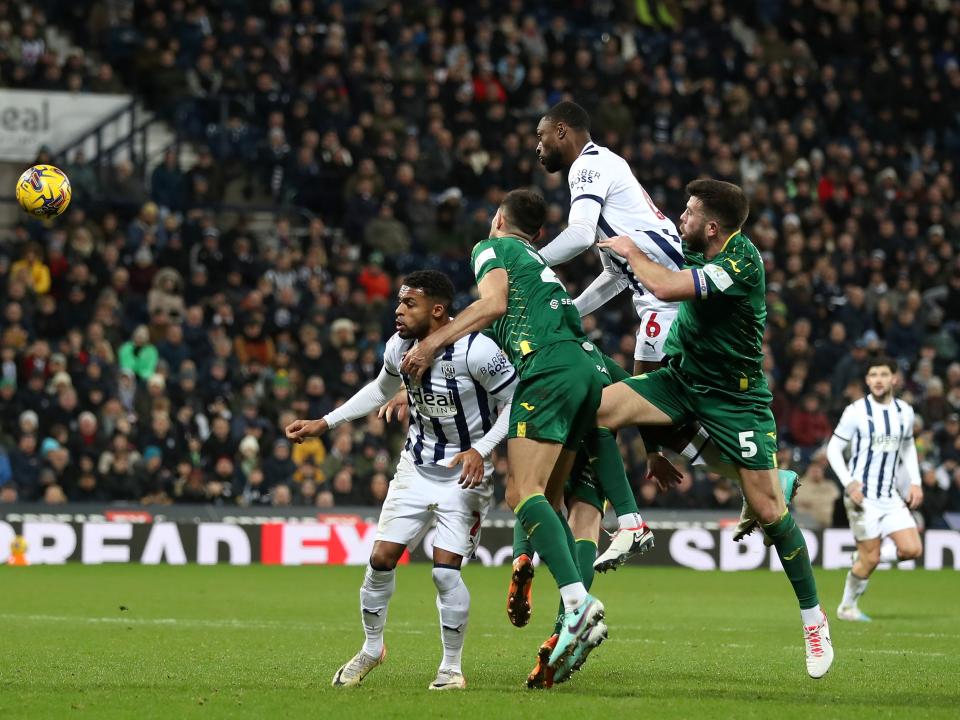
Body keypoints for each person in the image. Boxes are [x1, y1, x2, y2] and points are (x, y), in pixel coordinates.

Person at [530, 100, 798, 572]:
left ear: (564, 132)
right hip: (654, 301)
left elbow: (576, 235)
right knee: (658, 417)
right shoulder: (608, 169)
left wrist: (528, 266)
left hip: (670, 294)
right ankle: (765, 481)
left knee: (640, 403)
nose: (538, 146)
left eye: (543, 135)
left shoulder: (588, 167)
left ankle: (634, 518)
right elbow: (616, 278)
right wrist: (570, 311)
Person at [595, 179, 834, 679]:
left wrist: (631, 251)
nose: (681, 218)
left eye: (689, 212)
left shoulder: (741, 264)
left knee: (770, 511)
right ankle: (630, 520)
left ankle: (814, 619)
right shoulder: (694, 241)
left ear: (711, 227)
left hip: (736, 400)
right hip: (681, 380)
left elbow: (662, 285)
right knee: (600, 410)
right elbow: (651, 228)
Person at [400, 189, 638, 685]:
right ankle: (567, 612)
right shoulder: (536, 262)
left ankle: (574, 602)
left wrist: (431, 345)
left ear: (498, 219)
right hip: (585, 368)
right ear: (541, 235)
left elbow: (492, 304)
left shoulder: (493, 249)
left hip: (546, 370)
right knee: (565, 503)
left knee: (521, 492)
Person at [285, 271, 516, 691]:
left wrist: (481, 450)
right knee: (379, 560)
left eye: (410, 303)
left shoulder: (478, 350)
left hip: (464, 474)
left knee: (445, 573)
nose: (399, 310)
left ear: (438, 310)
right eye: (399, 302)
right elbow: (380, 389)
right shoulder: (399, 347)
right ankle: (372, 649)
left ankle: (450, 667)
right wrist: (326, 421)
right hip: (415, 466)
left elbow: (515, 402)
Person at [826, 357, 923, 622]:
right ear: (867, 380)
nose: (878, 379)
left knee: (912, 550)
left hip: (890, 495)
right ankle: (847, 608)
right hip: (862, 497)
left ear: (895, 378)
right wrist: (849, 483)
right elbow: (833, 449)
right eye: (872, 375)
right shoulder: (856, 411)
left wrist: (916, 481)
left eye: (883, 374)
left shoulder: (904, 411)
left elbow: (907, 446)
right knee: (871, 560)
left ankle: (866, 556)